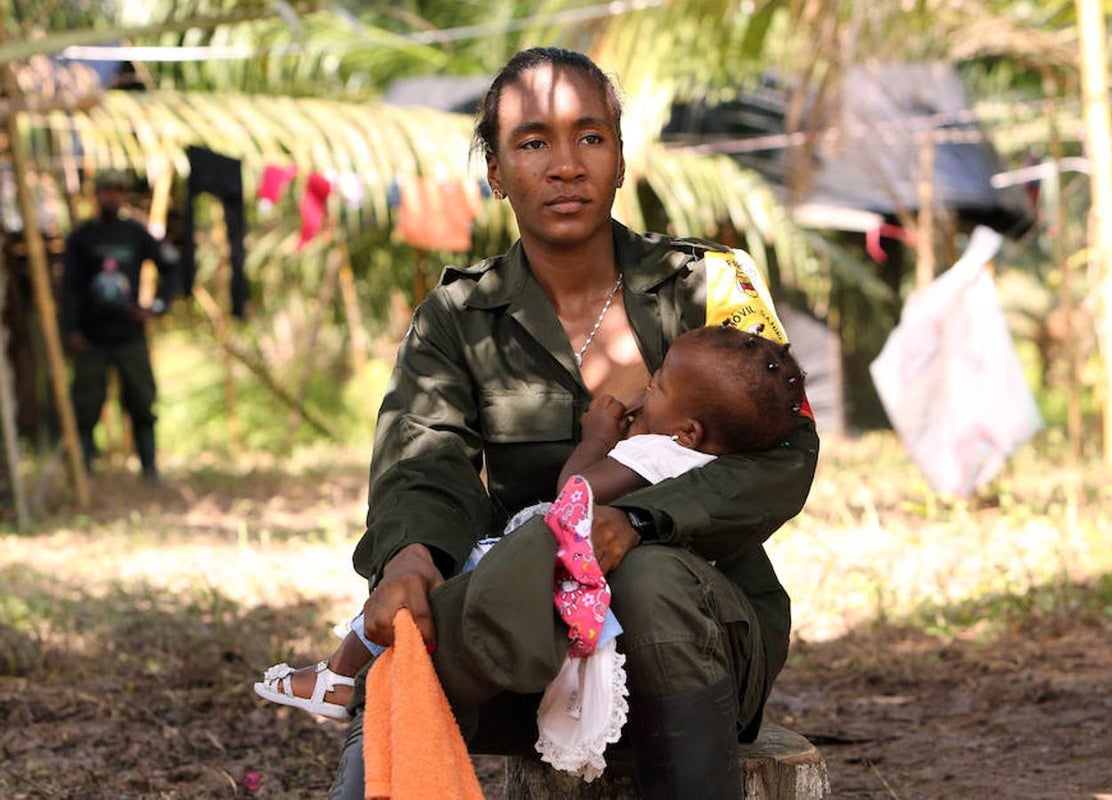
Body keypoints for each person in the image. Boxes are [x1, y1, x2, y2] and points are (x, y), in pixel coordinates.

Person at [328, 47, 819, 800]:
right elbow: (421, 462)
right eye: (532, 143)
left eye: (590, 138)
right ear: (495, 172)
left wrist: (643, 523)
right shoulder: (456, 319)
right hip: (529, 638)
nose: (566, 165)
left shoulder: (712, 287)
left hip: (701, 630)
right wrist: (409, 562)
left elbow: (787, 456)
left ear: (620, 159)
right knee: (410, 631)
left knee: (647, 577)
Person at [255, 327, 808, 721]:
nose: (645, 390)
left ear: (687, 430)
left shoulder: (655, 454)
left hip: (542, 555)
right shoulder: (703, 457)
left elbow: (577, 493)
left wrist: (597, 438)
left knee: (427, 607)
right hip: (640, 627)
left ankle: (343, 678)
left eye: (657, 385)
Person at [58, 169, 178, 481]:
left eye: (118, 191)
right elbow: (68, 289)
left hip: (129, 335)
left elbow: (172, 269)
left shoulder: (136, 234)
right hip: (91, 337)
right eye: (107, 191)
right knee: (85, 405)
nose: (113, 196)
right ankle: (84, 468)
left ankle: (149, 469)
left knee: (141, 401)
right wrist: (71, 330)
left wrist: (156, 306)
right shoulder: (81, 238)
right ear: (96, 195)